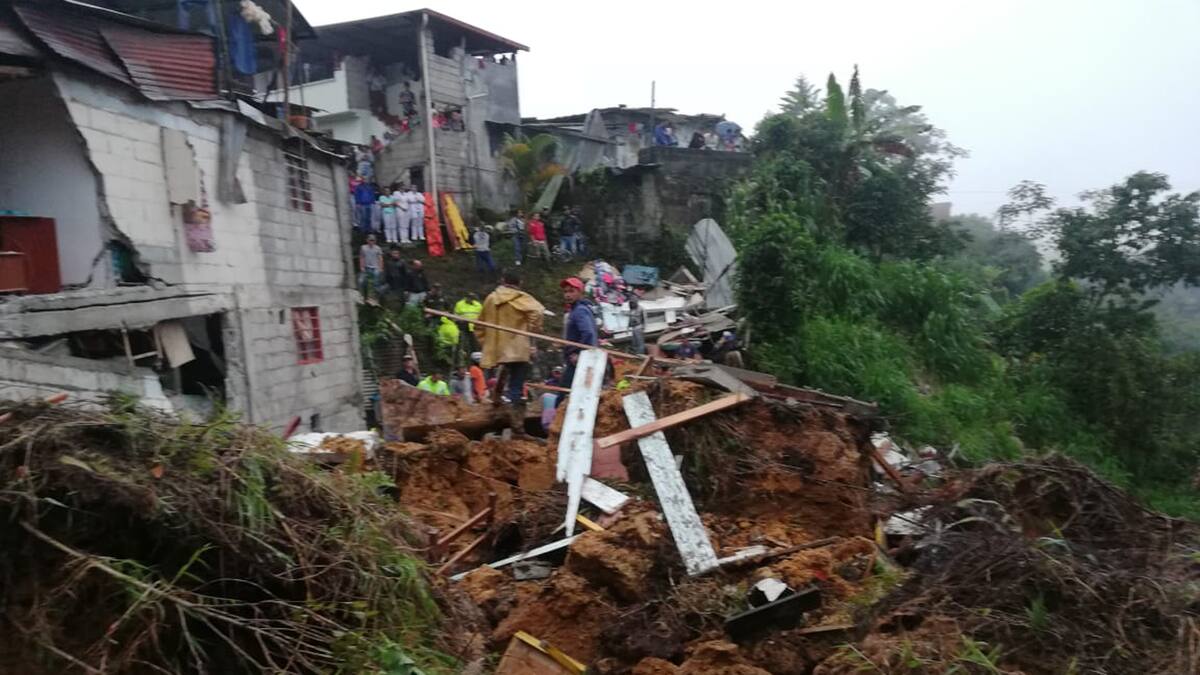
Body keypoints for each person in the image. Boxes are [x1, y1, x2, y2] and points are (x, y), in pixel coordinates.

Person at [479, 270, 545, 405]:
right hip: (517, 346)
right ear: (520, 283)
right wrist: (533, 329)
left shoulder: (491, 299)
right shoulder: (521, 298)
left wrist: (485, 343)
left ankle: (498, 398)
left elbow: (479, 324)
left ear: (503, 281)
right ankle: (513, 399)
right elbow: (538, 311)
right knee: (518, 374)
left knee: (497, 375)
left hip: (496, 347)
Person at [559, 276, 598, 402]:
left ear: (580, 292)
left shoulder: (580, 310)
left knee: (564, 394)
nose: (567, 295)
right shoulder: (577, 309)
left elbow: (588, 333)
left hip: (579, 359)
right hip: (580, 358)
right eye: (565, 292)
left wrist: (578, 353)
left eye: (572, 291)